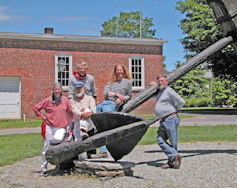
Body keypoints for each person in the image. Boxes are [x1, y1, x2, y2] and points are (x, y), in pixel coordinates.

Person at [92, 64, 132, 158]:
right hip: (105, 102)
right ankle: (92, 147)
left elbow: (129, 96)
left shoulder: (127, 82)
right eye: (117, 70)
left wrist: (122, 99)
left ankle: (103, 150)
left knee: (105, 125)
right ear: (115, 72)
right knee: (94, 117)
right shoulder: (111, 82)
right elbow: (105, 93)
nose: (119, 72)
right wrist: (116, 94)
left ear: (124, 71)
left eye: (120, 70)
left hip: (112, 104)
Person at [33, 82, 72, 176]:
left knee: (58, 139)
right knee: (45, 147)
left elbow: (70, 113)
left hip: (61, 127)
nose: (57, 91)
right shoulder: (47, 100)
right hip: (49, 126)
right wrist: (41, 116)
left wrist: (70, 126)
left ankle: (54, 147)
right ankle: (43, 169)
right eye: (56, 89)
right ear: (53, 90)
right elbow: (36, 108)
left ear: (61, 90)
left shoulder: (65, 100)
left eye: (59, 89)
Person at [150, 74, 185, 169]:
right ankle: (175, 156)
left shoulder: (169, 90)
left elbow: (182, 101)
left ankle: (172, 163)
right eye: (159, 81)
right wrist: (154, 86)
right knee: (160, 140)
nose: (160, 82)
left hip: (170, 118)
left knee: (173, 142)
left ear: (166, 82)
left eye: (162, 81)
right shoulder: (160, 91)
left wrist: (175, 110)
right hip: (163, 120)